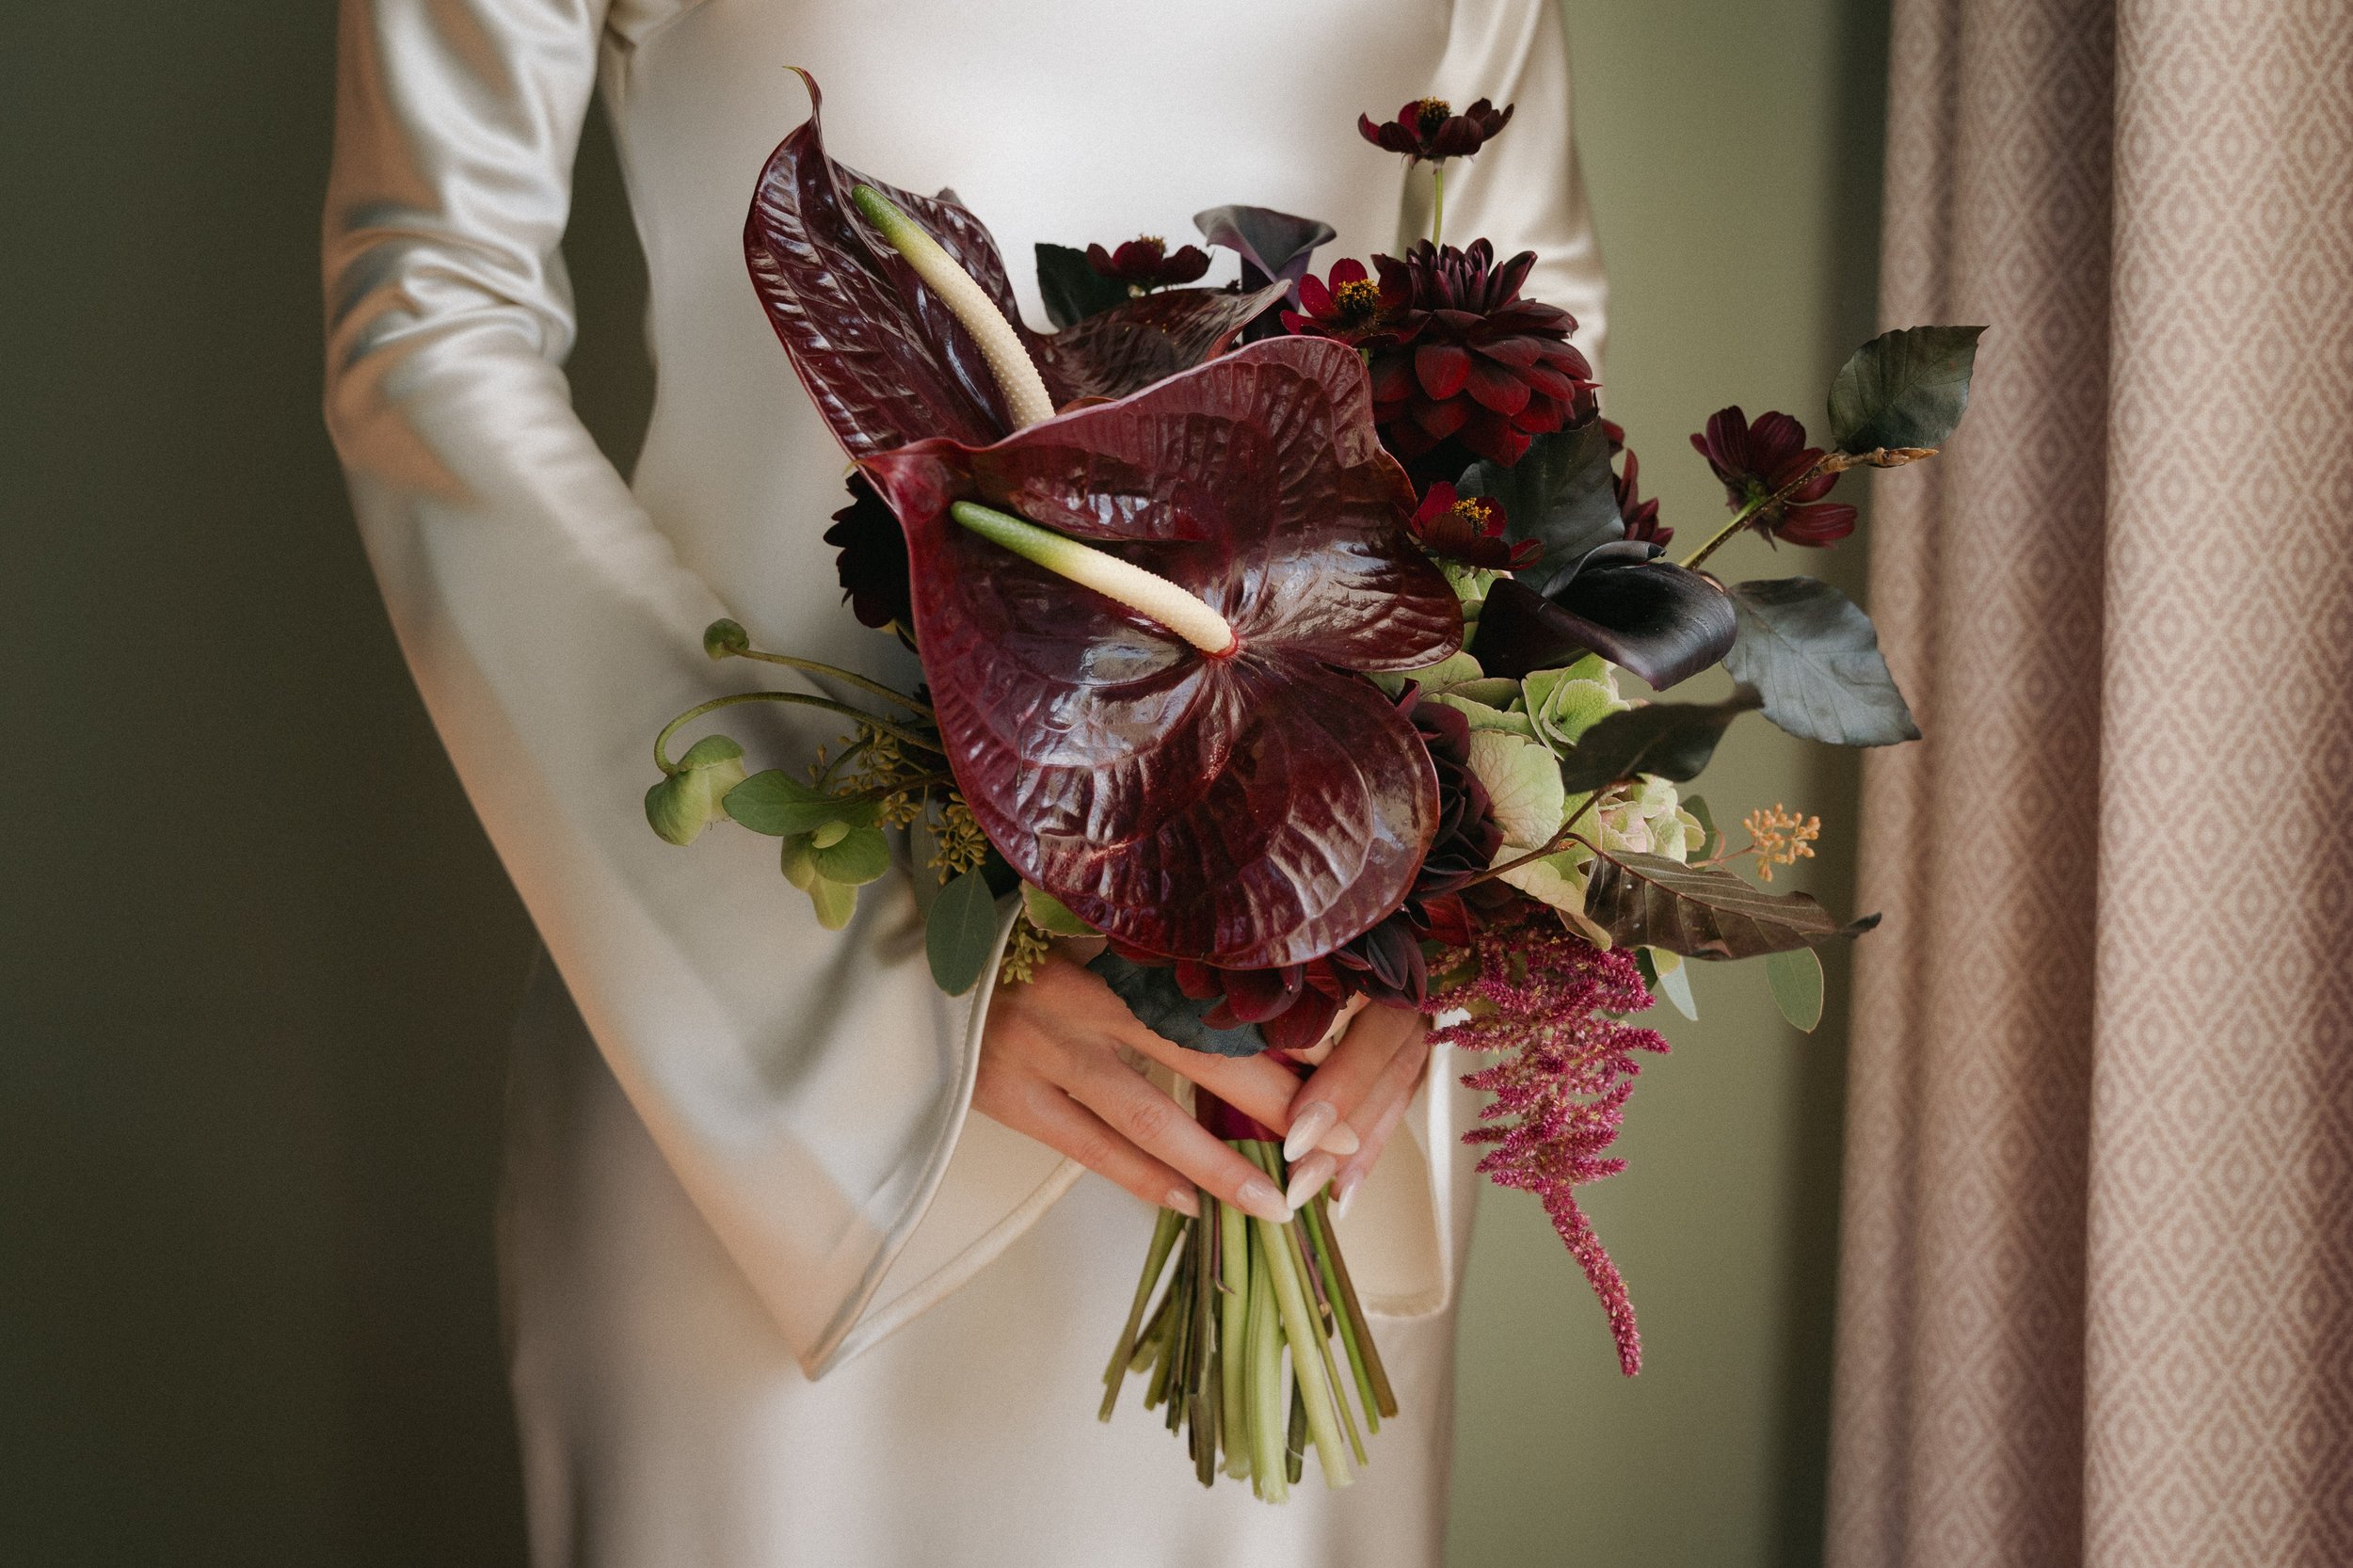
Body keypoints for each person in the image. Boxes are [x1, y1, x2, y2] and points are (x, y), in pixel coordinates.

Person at [322, 2, 1603, 1562]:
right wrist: (876, 967)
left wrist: (1449, 898)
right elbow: (430, 320)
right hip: (778, 1093)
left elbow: (1540, 362)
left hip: (1296, 1081)